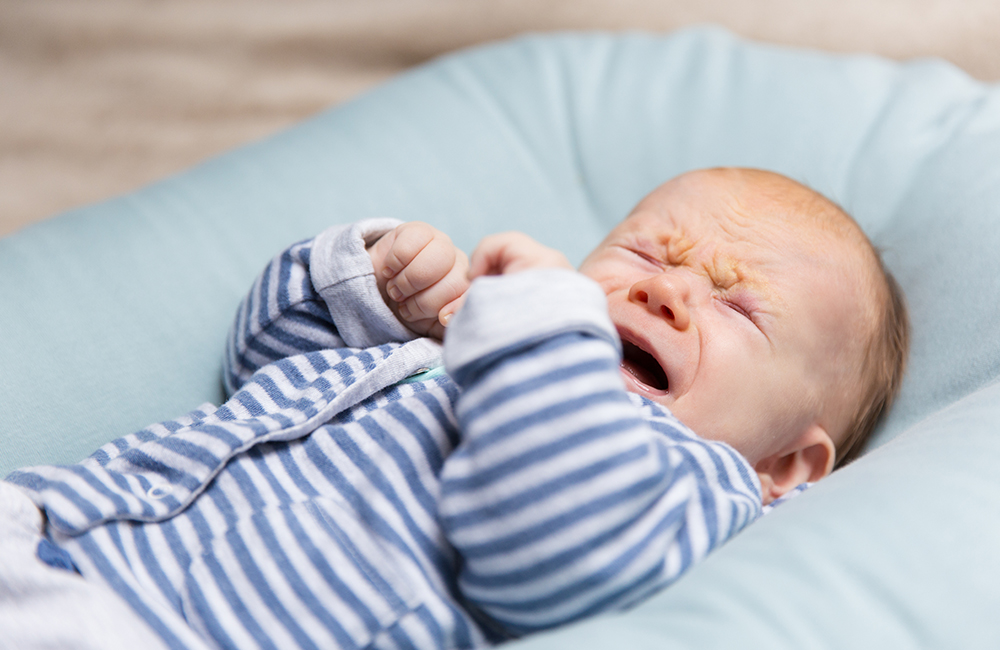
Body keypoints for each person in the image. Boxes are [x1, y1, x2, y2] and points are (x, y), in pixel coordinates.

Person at [3, 167, 908, 650]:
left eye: (737, 304)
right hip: (51, 520)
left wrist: (544, 328)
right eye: (640, 254)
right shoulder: (452, 348)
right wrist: (373, 289)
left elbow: (543, 553)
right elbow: (261, 368)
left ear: (787, 465)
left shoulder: (688, 482)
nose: (666, 292)